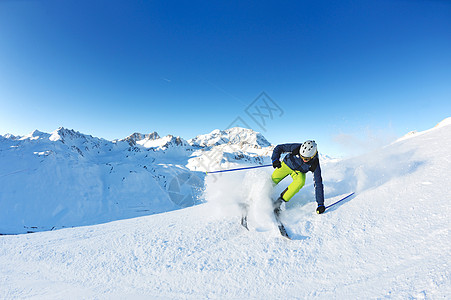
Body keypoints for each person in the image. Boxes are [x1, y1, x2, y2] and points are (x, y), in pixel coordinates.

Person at [271, 140, 325, 214]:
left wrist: (320, 204)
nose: (303, 159)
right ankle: (262, 191)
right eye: (301, 156)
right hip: (287, 165)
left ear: (312, 156)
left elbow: (318, 184)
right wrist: (275, 159)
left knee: (300, 182)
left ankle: (280, 202)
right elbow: (279, 148)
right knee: (273, 179)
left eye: (306, 159)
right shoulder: (296, 147)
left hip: (299, 172)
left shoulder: (315, 164)